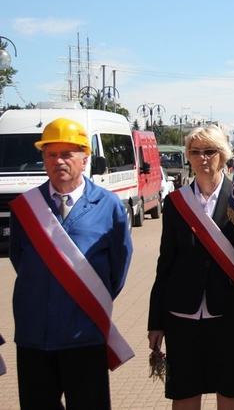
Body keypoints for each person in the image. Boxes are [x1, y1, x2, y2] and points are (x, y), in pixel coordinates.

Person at [148, 125, 234, 409]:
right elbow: (165, 263)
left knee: (232, 391)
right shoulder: (175, 203)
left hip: (232, 314)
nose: (202, 158)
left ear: (223, 155)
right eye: (195, 152)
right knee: (184, 393)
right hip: (181, 314)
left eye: (209, 151)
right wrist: (155, 321)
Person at [9, 117, 133, 408]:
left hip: (84, 335)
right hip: (33, 335)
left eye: (67, 154)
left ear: (84, 158)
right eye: (51, 154)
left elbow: (118, 268)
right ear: (43, 159)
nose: (59, 161)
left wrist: (85, 297)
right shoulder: (25, 207)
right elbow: (19, 260)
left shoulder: (109, 205)